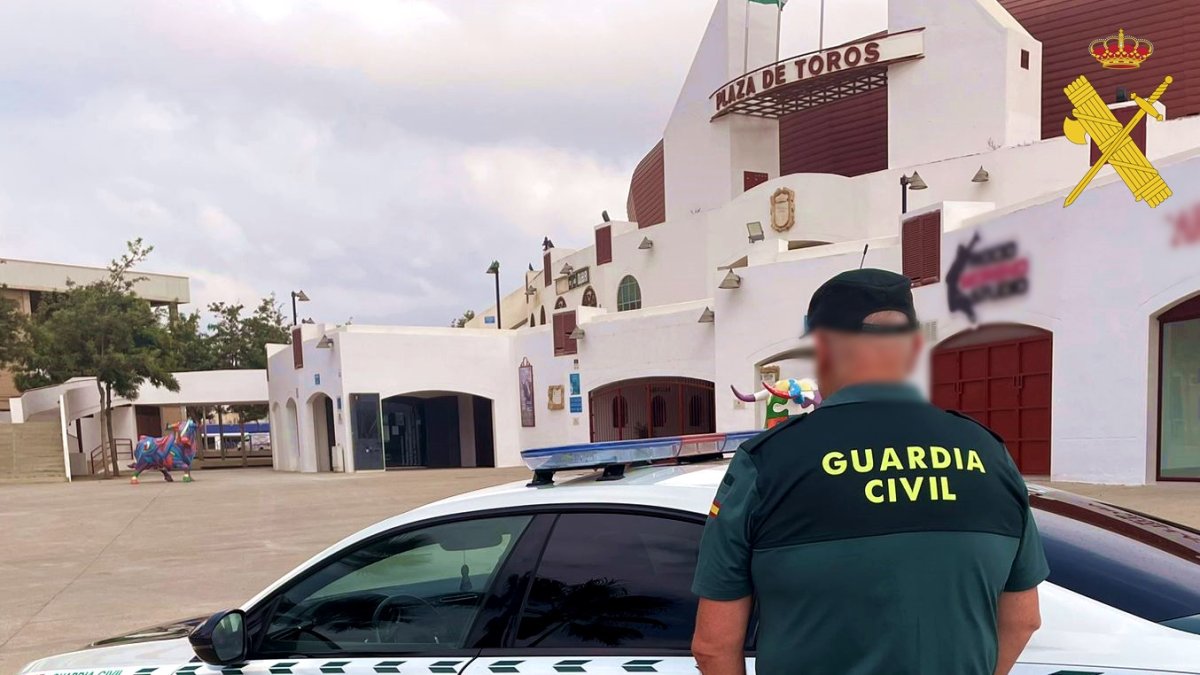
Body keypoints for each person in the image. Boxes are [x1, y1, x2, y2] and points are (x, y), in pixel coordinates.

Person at [691, 268, 1047, 675]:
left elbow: (713, 647)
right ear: (912, 347)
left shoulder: (766, 462)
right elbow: (1023, 619)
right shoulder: (989, 453)